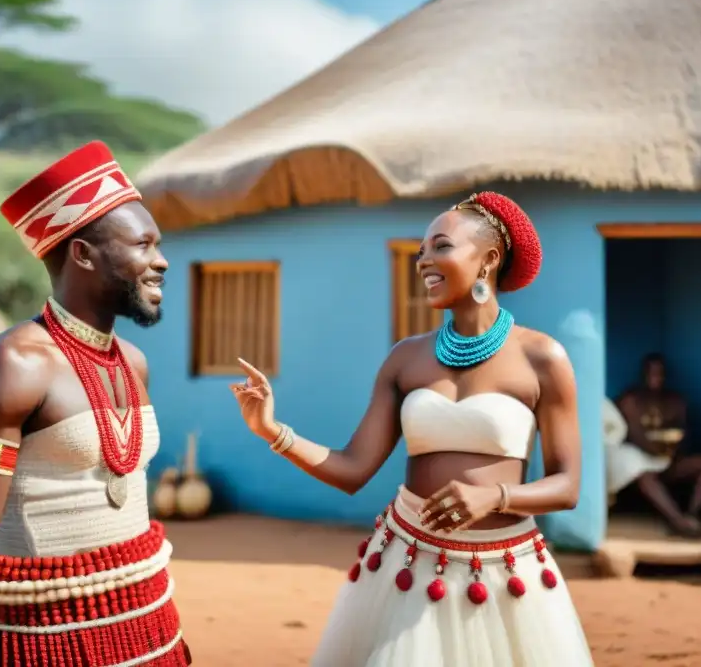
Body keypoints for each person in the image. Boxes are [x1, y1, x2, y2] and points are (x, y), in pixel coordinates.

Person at [232, 192, 593, 666]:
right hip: (409, 564)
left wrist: (494, 497)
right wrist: (272, 430)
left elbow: (567, 488)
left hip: (504, 570)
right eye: (421, 251)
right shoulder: (405, 358)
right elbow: (353, 468)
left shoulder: (542, 358)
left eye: (440, 246)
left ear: (488, 259)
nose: (423, 261)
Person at [0, 141, 191, 667]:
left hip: (153, 629)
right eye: (143, 245)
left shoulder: (134, 362)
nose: (162, 261)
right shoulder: (12, 366)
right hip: (48, 643)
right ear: (83, 253)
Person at [613, 353, 701, 537]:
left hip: (669, 460)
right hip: (641, 463)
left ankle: (693, 514)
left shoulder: (675, 402)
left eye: (659, 373)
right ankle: (677, 521)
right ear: (643, 375)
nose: (656, 378)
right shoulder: (631, 401)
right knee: (645, 477)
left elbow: (682, 434)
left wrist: (673, 446)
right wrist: (654, 447)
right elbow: (632, 436)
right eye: (651, 373)